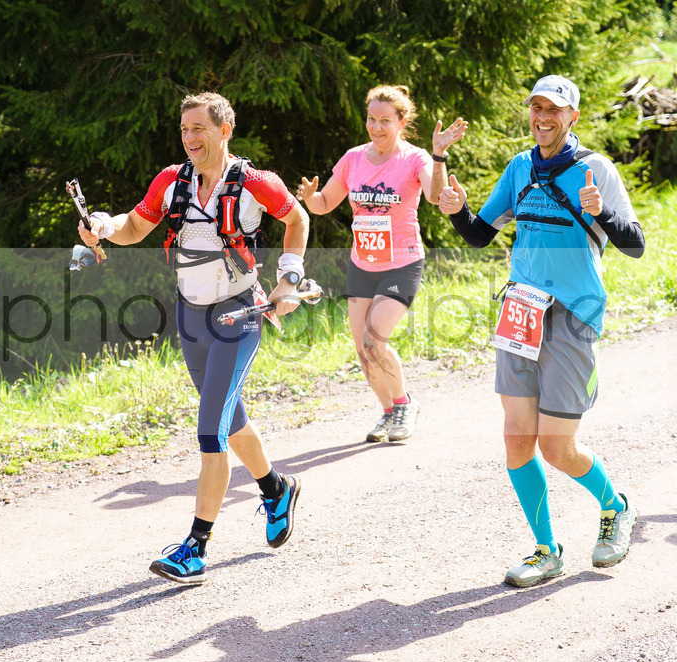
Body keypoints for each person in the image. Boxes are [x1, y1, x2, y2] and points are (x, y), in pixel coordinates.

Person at [77, 92, 310, 584]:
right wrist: (102, 224)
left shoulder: (256, 183)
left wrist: (289, 278)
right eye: (184, 130)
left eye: (198, 129)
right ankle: (276, 489)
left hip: (238, 317)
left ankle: (195, 548)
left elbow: (298, 219)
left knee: (211, 431)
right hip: (190, 318)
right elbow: (133, 226)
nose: (189, 138)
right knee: (229, 416)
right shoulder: (171, 180)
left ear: (225, 130)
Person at [438, 75, 645, 587]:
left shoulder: (596, 169)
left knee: (557, 448)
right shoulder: (520, 168)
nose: (543, 117)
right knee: (516, 440)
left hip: (573, 315)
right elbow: (481, 234)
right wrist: (458, 211)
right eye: (537, 107)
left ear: (573, 116)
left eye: (554, 109)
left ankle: (615, 505)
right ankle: (546, 550)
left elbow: (635, 244)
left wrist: (603, 213)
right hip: (521, 311)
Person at [296, 85, 467, 443]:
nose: (376, 127)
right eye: (371, 119)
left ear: (402, 123)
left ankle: (404, 404)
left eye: (385, 121)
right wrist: (310, 198)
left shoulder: (415, 158)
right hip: (362, 264)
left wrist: (439, 155)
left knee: (374, 341)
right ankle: (388, 413)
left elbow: (435, 196)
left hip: (401, 264)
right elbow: (324, 204)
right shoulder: (353, 158)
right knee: (363, 352)